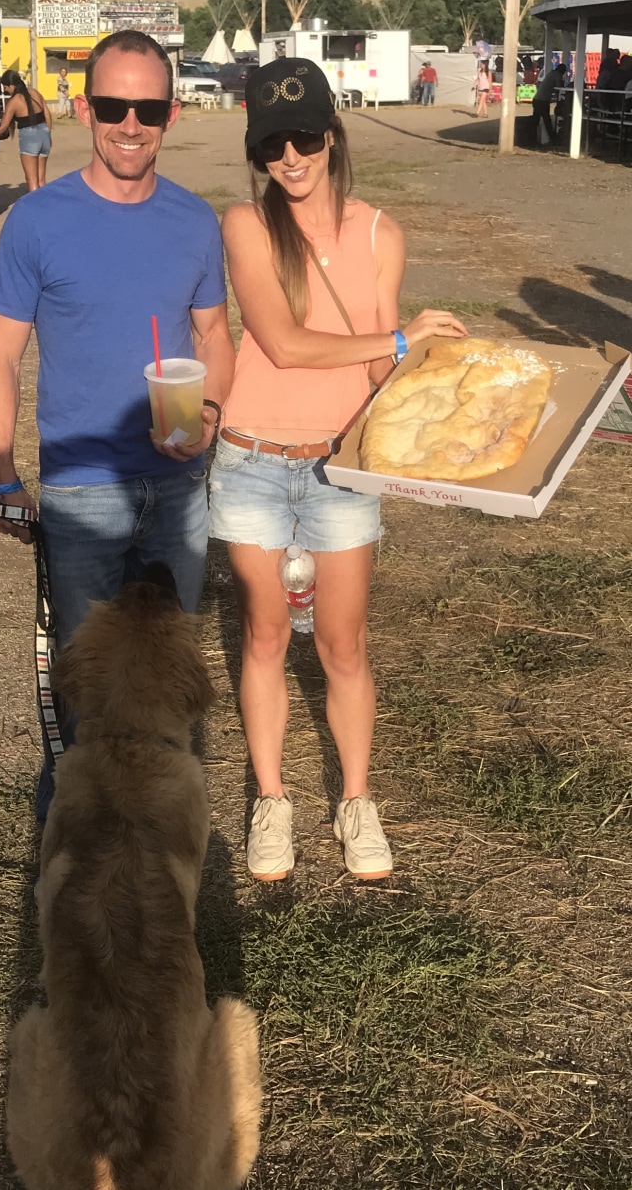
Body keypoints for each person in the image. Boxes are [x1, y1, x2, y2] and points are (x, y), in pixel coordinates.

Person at [211, 57, 467, 881]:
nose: (289, 157)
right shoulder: (245, 227)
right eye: (270, 143)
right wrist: (395, 342)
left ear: (332, 133)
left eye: (304, 137)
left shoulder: (381, 234)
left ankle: (356, 800)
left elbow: (375, 375)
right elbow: (281, 342)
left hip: (341, 471)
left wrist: (434, 385)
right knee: (264, 633)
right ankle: (274, 799)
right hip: (251, 458)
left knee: (344, 644)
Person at [0, 30, 235, 820]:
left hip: (178, 486)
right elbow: (0, 357)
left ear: (172, 113)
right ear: (85, 108)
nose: (131, 124)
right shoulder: (38, 221)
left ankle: (163, 823)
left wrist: (211, 417)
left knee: (166, 671)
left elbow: (215, 339)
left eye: (148, 108)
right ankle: (79, 826)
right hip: (82, 490)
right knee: (84, 679)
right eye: (115, 106)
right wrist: (0, 474)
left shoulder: (196, 221)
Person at [0, 70, 52, 192]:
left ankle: (35, 208)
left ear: (11, 85)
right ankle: (45, 206)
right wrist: (48, 134)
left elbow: (3, 127)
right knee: (41, 180)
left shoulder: (14, 101)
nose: (6, 90)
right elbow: (47, 114)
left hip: (29, 136)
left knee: (32, 180)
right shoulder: (34, 93)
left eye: (5, 87)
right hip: (44, 133)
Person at [532, 62, 566, 147]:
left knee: (535, 120)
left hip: (537, 99)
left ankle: (532, 138)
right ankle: (554, 140)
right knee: (547, 121)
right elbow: (559, 87)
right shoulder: (557, 75)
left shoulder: (551, 73)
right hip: (543, 101)